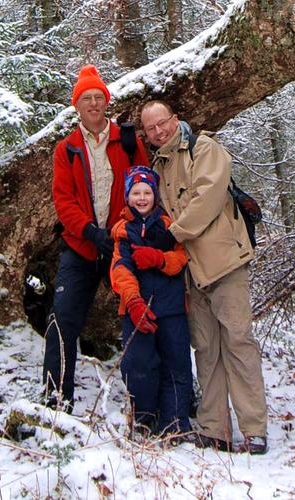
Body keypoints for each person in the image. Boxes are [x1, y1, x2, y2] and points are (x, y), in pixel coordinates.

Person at [140, 100, 268, 454]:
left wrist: (174, 234)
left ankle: (254, 428)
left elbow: (208, 198)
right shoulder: (158, 165)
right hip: (191, 272)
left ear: (175, 120)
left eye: (162, 123)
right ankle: (215, 428)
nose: (158, 132)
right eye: (150, 129)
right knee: (207, 348)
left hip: (224, 262)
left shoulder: (205, 148)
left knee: (238, 342)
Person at [42, 65, 148, 413]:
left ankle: (152, 403)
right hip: (81, 246)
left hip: (122, 244)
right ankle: (56, 401)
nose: (93, 104)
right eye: (86, 98)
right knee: (62, 319)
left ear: (107, 102)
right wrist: (89, 231)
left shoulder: (127, 142)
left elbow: (146, 186)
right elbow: (63, 200)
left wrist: (124, 231)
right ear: (77, 106)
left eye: (98, 98)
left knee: (143, 313)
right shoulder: (67, 149)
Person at [110, 166, 193, 441]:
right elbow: (121, 269)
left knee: (176, 364)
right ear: (127, 196)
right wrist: (132, 301)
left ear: (155, 196)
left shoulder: (169, 225)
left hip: (171, 308)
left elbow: (181, 259)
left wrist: (159, 259)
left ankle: (175, 422)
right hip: (137, 308)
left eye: (147, 192)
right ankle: (145, 419)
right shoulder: (123, 230)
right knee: (138, 364)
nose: (142, 198)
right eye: (136, 192)